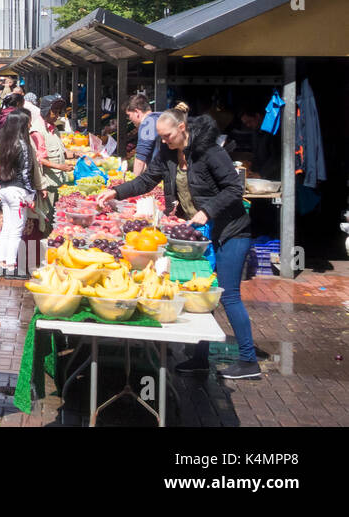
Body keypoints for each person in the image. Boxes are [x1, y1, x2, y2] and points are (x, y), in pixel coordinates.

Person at [96, 103, 259, 380]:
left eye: (167, 136)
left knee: (229, 295)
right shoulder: (168, 153)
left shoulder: (210, 151)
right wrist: (116, 192)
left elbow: (234, 188)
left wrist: (207, 212)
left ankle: (248, 360)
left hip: (231, 231)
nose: (163, 141)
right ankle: (199, 358)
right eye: (159, 137)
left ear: (181, 128)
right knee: (197, 296)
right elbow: (148, 179)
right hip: (198, 236)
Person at [0, 108, 42, 278]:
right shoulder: (23, 145)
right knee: (16, 229)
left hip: (5, 189)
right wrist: (31, 195)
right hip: (18, 192)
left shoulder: (3, 142)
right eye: (28, 121)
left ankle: (2, 263)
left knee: (7, 226)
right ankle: (12, 266)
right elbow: (26, 173)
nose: (30, 124)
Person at [125, 95, 161, 176]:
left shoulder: (147, 123)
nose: (130, 119)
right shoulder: (159, 117)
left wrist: (133, 184)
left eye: (129, 115)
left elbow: (140, 160)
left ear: (137, 112)